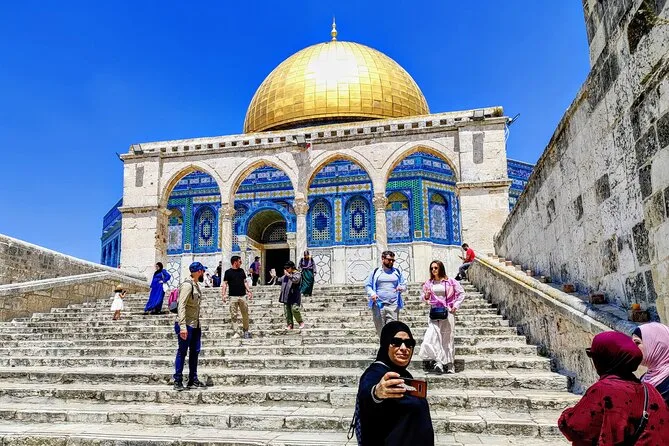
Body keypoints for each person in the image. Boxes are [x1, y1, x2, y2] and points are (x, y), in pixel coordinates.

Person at [558, 331, 669, 444]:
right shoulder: (650, 390)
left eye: (593, 355)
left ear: (604, 358)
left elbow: (575, 428)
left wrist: (566, 415)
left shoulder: (603, 390)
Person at [350, 321, 434, 446]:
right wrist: (376, 393)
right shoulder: (375, 372)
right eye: (396, 342)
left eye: (409, 343)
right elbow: (367, 390)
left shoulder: (404, 374)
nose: (404, 348)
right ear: (385, 344)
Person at [419, 260, 465, 374]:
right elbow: (423, 297)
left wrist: (455, 305)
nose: (433, 270)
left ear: (441, 268)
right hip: (434, 312)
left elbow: (461, 293)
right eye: (431, 268)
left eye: (436, 268)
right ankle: (439, 361)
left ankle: (450, 364)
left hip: (447, 312)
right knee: (432, 336)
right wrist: (426, 296)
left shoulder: (450, 281)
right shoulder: (429, 283)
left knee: (447, 339)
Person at [173, 261, 207, 391]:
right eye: (202, 271)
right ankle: (178, 380)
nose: (203, 273)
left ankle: (193, 379)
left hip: (195, 324)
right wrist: (182, 327)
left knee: (195, 352)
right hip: (186, 324)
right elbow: (181, 306)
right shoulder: (188, 285)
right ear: (199, 272)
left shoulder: (196, 285)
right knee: (182, 352)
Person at [364, 251, 407, 337]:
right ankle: (384, 345)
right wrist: (372, 294)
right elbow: (368, 285)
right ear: (383, 259)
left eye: (393, 260)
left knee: (393, 330)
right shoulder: (375, 272)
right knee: (381, 331)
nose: (391, 262)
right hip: (378, 305)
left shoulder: (397, 272)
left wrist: (401, 287)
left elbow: (404, 284)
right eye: (389, 260)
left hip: (393, 305)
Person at [632, 323, 669, 405]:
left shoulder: (667, 383)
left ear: (659, 345)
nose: (632, 348)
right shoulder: (646, 376)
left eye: (637, 342)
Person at [222, 255, 253, 339]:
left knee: (245, 314)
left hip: (242, 296)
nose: (241, 263)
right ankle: (236, 332)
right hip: (233, 297)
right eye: (240, 261)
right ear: (235, 262)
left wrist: (249, 291)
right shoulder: (228, 272)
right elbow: (225, 284)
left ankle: (246, 331)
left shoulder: (241, 271)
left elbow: (245, 282)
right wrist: (223, 294)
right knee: (233, 315)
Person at [280, 260, 304, 330]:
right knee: (287, 311)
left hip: (294, 294)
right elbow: (280, 280)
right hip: (286, 295)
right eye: (285, 268)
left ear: (292, 267)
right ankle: (290, 324)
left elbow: (295, 280)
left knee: (294, 309)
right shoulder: (286, 275)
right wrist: (274, 277)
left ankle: (300, 321)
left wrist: (289, 275)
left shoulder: (297, 273)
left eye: (288, 268)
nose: (286, 269)